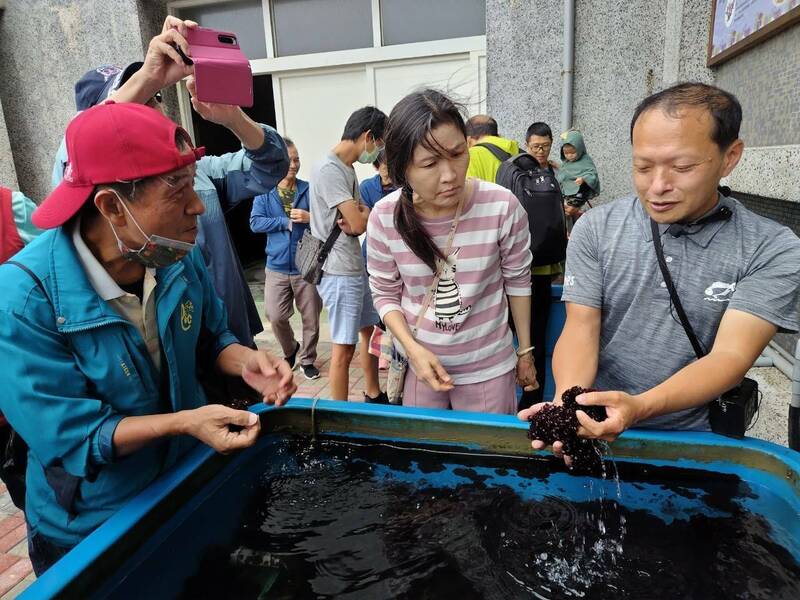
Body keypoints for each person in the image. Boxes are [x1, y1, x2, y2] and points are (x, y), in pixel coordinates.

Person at [0, 102, 296, 575]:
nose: (197, 205)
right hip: (92, 526)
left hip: (183, 481)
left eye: (193, 182)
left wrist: (245, 361)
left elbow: (210, 336)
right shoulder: (22, 300)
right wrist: (184, 422)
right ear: (112, 206)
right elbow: (77, 438)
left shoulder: (174, 253)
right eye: (177, 190)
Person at [521, 82, 800, 463]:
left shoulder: (771, 248)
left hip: (695, 440)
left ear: (730, 156)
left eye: (682, 167)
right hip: (598, 428)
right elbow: (581, 327)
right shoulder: (596, 229)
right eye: (642, 166)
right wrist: (570, 406)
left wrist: (638, 407)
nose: (658, 187)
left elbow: (730, 356)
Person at [52, 17, 289, 349]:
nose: (194, 204)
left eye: (155, 98)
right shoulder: (88, 197)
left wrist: (233, 118)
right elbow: (70, 166)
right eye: (137, 99)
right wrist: (147, 78)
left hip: (232, 344)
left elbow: (271, 165)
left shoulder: (201, 174)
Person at [367, 89, 538, 413]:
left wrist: (525, 351)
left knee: (490, 460)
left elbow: (517, 280)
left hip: (488, 368)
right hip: (423, 369)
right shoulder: (384, 216)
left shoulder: (502, 207)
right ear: (402, 168)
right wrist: (413, 351)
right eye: (430, 163)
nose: (450, 176)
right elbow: (385, 293)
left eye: (458, 154)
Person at [310, 106, 388, 403]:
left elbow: (359, 218)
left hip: (354, 266)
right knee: (343, 349)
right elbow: (356, 222)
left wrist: (363, 216)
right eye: (379, 143)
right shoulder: (329, 170)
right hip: (339, 270)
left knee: (368, 329)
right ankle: (337, 416)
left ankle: (372, 391)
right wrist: (363, 217)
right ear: (368, 137)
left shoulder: (347, 168)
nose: (378, 152)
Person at [250, 138, 322, 380]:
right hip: (277, 266)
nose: (294, 164)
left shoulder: (309, 189)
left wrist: (309, 216)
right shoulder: (264, 191)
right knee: (275, 315)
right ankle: (291, 349)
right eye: (289, 160)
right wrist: (284, 222)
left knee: (311, 317)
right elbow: (255, 222)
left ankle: (308, 359)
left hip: (306, 265)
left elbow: (327, 220)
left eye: (297, 159)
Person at [556, 128, 600, 216]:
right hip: (565, 197)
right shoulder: (566, 163)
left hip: (578, 197)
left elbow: (592, 175)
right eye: (566, 153)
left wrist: (584, 179)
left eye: (572, 152)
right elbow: (566, 171)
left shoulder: (585, 161)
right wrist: (556, 165)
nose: (569, 156)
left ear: (579, 148)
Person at [465, 114, 519, 183]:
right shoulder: (515, 149)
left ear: (468, 139)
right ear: (498, 135)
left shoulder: (471, 155)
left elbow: (468, 189)